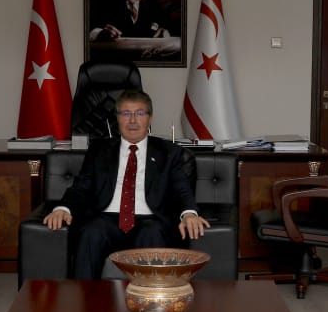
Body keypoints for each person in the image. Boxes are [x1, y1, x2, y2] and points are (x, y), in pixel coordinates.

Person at [43, 89, 209, 279]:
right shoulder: (99, 151)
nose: (132, 120)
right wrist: (63, 208)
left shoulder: (169, 152)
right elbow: (81, 187)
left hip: (150, 220)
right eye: (126, 113)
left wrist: (189, 214)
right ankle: (85, 296)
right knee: (91, 232)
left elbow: (181, 189)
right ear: (117, 118)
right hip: (107, 218)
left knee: (152, 233)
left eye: (140, 113)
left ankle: (151, 296)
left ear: (150, 118)